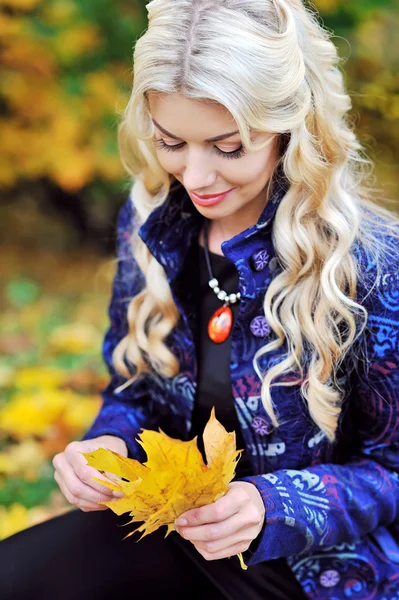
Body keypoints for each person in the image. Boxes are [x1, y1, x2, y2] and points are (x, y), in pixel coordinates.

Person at [1, 0, 399, 598]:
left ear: (291, 128)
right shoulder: (152, 228)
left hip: (318, 571)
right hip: (168, 531)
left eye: (228, 146)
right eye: (170, 142)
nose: (196, 175)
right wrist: (108, 445)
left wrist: (272, 505)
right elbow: (133, 390)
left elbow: (392, 471)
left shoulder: (369, 264)